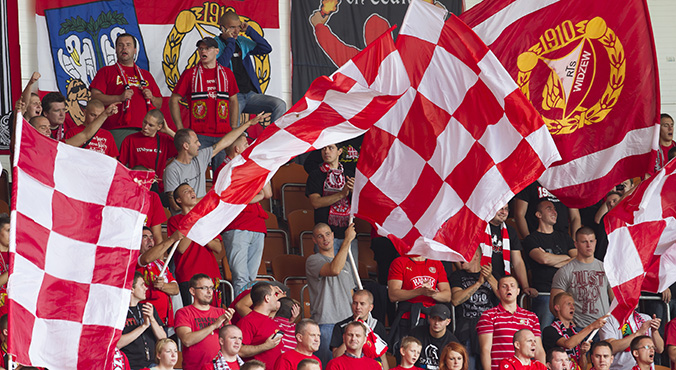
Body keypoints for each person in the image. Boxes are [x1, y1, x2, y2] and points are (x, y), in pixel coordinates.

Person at [163, 113, 267, 212]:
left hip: (203, 217)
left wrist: (248, 124)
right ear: (186, 146)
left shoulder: (200, 157)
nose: (199, 144)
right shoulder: (172, 170)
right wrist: (207, 199)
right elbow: (175, 205)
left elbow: (225, 142)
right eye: (196, 142)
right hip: (184, 222)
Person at [170, 37, 240, 170]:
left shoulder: (227, 74)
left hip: (223, 135)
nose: (203, 51)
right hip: (198, 136)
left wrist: (233, 127)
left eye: (207, 48)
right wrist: (180, 128)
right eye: (200, 48)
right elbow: (174, 99)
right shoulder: (190, 74)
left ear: (216, 51)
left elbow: (233, 100)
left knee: (221, 175)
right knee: (196, 174)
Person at [216, 134, 272, 294]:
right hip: (237, 226)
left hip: (257, 225)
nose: (250, 147)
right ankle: (241, 314)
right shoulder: (224, 169)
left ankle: (249, 311)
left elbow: (267, 193)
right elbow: (235, 198)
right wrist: (256, 195)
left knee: (251, 278)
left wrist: (259, 165)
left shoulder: (250, 166)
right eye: (247, 144)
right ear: (237, 149)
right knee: (241, 277)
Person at [215, 10, 286, 126]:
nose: (236, 31)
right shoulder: (214, 44)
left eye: (238, 27)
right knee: (233, 129)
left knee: (279, 105)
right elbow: (220, 66)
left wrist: (249, 31)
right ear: (222, 28)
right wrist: (231, 42)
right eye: (232, 27)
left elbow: (266, 48)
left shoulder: (242, 42)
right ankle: (233, 144)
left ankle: (271, 141)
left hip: (250, 95)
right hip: (231, 97)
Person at [90, 33, 163, 143]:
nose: (124, 48)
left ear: (134, 50)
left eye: (128, 45)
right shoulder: (106, 71)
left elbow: (159, 103)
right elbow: (95, 98)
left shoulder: (146, 75)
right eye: (120, 45)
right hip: (116, 129)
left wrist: (152, 97)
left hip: (144, 130)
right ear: (115, 49)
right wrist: (119, 98)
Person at [305, 223, 357, 366]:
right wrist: (347, 240)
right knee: (328, 366)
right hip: (326, 323)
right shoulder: (313, 260)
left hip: (347, 324)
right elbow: (334, 270)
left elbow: (351, 294)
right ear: (314, 240)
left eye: (328, 234)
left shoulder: (345, 264)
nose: (325, 239)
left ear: (333, 235)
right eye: (320, 236)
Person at [167, 183, 223, 307]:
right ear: (178, 200)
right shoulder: (174, 221)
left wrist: (200, 232)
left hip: (211, 275)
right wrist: (193, 220)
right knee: (193, 317)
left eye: (192, 190)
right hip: (189, 276)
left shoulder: (206, 219)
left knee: (215, 316)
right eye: (186, 191)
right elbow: (181, 248)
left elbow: (218, 248)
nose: (192, 192)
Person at [523, 200, 576, 328]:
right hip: (544, 294)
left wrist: (551, 259)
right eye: (549, 208)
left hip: (567, 294)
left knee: (569, 334)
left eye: (555, 209)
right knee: (541, 333)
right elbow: (543, 259)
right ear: (538, 214)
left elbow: (577, 259)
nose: (554, 212)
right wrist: (565, 259)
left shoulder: (564, 237)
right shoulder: (531, 239)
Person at [550, 227, 614, 328]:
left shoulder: (606, 268)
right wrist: (567, 322)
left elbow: (614, 299)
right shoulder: (565, 271)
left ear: (596, 242)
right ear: (576, 244)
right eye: (584, 242)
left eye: (591, 241)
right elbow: (555, 304)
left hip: (603, 326)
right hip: (578, 327)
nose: (589, 245)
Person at [477, 276, 545, 370]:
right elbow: (485, 349)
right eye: (504, 286)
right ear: (498, 292)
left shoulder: (532, 317)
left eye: (512, 286)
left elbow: (538, 350)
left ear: (518, 291)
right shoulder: (488, 315)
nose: (509, 289)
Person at [305, 144, 358, 258]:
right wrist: (342, 194)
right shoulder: (316, 175)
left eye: (330, 148)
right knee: (327, 272)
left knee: (350, 274)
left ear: (339, 151)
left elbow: (361, 205)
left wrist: (355, 193)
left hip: (348, 234)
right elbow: (316, 203)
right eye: (323, 148)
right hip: (325, 237)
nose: (326, 152)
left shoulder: (350, 175)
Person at [450, 247, 498, 370]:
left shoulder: (492, 275)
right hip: (466, 327)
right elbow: (456, 300)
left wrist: (490, 278)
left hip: (490, 328)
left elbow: (506, 297)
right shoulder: (457, 276)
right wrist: (478, 283)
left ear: (476, 256)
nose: (460, 259)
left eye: (464, 255)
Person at [175, 273, 235, 370]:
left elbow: (230, 342)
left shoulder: (221, 312)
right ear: (192, 291)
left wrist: (227, 323)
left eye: (211, 288)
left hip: (221, 367)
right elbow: (187, 340)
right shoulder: (184, 312)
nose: (209, 292)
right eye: (204, 288)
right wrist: (214, 325)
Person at [388, 252, 451, 339]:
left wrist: (431, 293)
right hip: (408, 316)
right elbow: (393, 295)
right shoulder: (400, 262)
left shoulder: (436, 263)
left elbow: (447, 296)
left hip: (432, 318)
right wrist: (419, 291)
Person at [542, 292, 607, 370]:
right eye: (568, 304)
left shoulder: (575, 333)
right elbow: (568, 344)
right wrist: (592, 326)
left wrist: (583, 354)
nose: (572, 307)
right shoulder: (549, 330)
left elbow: (582, 368)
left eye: (573, 304)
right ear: (557, 307)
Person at [118, 109, 177, 193]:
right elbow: (120, 167)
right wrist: (142, 173)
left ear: (159, 127)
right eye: (144, 122)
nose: (145, 127)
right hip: (135, 186)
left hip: (157, 188)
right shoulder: (130, 139)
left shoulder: (164, 140)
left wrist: (168, 131)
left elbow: (186, 145)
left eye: (151, 125)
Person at [118, 272, 167, 370]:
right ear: (131, 289)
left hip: (153, 365)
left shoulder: (149, 308)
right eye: (142, 285)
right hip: (130, 365)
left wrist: (152, 320)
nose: (146, 288)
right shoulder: (119, 312)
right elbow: (117, 344)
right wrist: (144, 326)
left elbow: (163, 338)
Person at [136, 227, 183, 327]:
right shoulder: (133, 259)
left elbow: (175, 289)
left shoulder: (160, 263)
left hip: (162, 321)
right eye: (145, 237)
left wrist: (162, 286)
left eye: (151, 237)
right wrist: (172, 239)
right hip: (143, 321)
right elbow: (147, 258)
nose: (150, 240)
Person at [330, 290, 388, 368]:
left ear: (370, 307)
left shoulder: (377, 326)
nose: (358, 307)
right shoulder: (341, 326)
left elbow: (383, 356)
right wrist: (352, 331)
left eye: (362, 304)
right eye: (355, 303)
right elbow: (336, 356)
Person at [237, 281, 283, 369]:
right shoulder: (247, 322)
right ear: (267, 298)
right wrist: (265, 346)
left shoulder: (271, 321)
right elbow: (239, 350)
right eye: (274, 295)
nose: (277, 298)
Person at [513, 181, 581, 238]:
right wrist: (530, 241)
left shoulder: (566, 182)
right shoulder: (529, 181)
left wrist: (574, 242)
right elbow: (519, 215)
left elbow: (575, 217)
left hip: (563, 238)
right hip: (537, 238)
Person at [408, 304, 459, 370]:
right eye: (434, 318)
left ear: (448, 322)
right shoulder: (415, 333)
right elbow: (405, 360)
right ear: (429, 318)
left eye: (441, 319)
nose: (436, 323)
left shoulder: (453, 343)